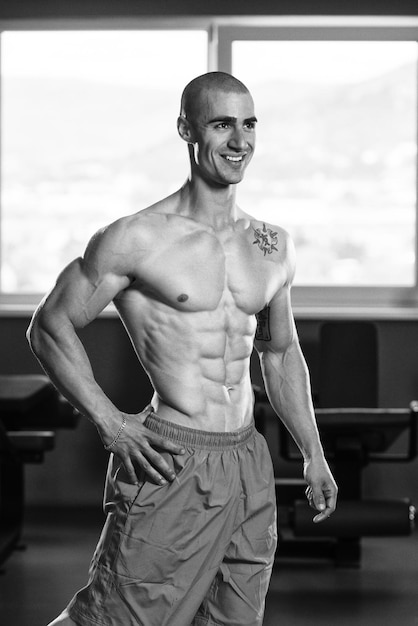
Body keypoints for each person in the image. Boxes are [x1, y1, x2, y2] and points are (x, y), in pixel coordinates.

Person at [27, 71, 337, 626]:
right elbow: (50, 326)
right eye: (221, 125)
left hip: (248, 461)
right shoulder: (138, 237)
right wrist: (109, 420)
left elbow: (280, 353)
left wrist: (313, 452)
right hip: (174, 461)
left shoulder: (271, 245)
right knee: (116, 619)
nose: (239, 142)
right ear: (185, 130)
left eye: (248, 125)